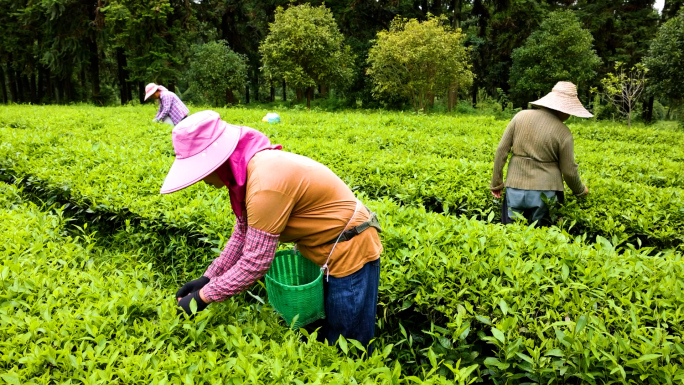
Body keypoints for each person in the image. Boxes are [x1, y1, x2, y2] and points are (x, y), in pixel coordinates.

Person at [162, 110, 383, 351]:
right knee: (323, 340)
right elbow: (243, 233)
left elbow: (254, 263)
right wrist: (207, 277)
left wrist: (203, 297)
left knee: (347, 346)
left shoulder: (264, 185)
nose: (201, 179)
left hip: (350, 251)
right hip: (323, 254)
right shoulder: (249, 171)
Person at [490, 81, 590, 226]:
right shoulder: (564, 133)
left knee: (510, 236)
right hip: (546, 192)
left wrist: (496, 184)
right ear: (563, 110)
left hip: (514, 188)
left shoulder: (520, 117)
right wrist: (580, 190)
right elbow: (569, 171)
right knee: (540, 239)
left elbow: (501, 151)